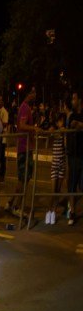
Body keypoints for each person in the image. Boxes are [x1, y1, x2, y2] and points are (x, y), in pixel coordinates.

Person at [11, 88, 38, 215]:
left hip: (25, 147)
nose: (35, 94)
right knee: (24, 179)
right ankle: (16, 207)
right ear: (29, 94)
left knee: (23, 179)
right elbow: (21, 125)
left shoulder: (24, 107)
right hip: (25, 148)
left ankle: (11, 203)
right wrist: (34, 128)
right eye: (33, 92)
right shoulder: (25, 107)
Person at [45, 114, 67, 224]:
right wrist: (51, 132)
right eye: (59, 121)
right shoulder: (54, 131)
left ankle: (53, 212)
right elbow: (48, 140)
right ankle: (49, 211)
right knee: (53, 191)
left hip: (62, 164)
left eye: (62, 121)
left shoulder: (64, 132)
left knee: (57, 191)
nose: (61, 123)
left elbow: (66, 146)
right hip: (54, 165)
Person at [66, 93, 83, 226]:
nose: (72, 101)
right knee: (72, 184)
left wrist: (80, 125)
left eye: (74, 98)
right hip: (73, 155)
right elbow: (69, 127)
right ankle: (72, 211)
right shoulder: (71, 115)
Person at [0, 95, 9, 181]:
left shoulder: (4, 112)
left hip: (2, 138)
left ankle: (2, 174)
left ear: (2, 102)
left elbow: (5, 124)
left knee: (1, 157)